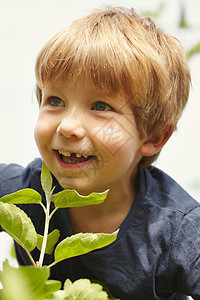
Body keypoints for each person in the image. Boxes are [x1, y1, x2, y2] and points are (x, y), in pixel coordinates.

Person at [0, 6, 200, 299]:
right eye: (55, 100)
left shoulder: (178, 230)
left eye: (101, 107)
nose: (68, 127)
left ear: (154, 136)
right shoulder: (27, 193)